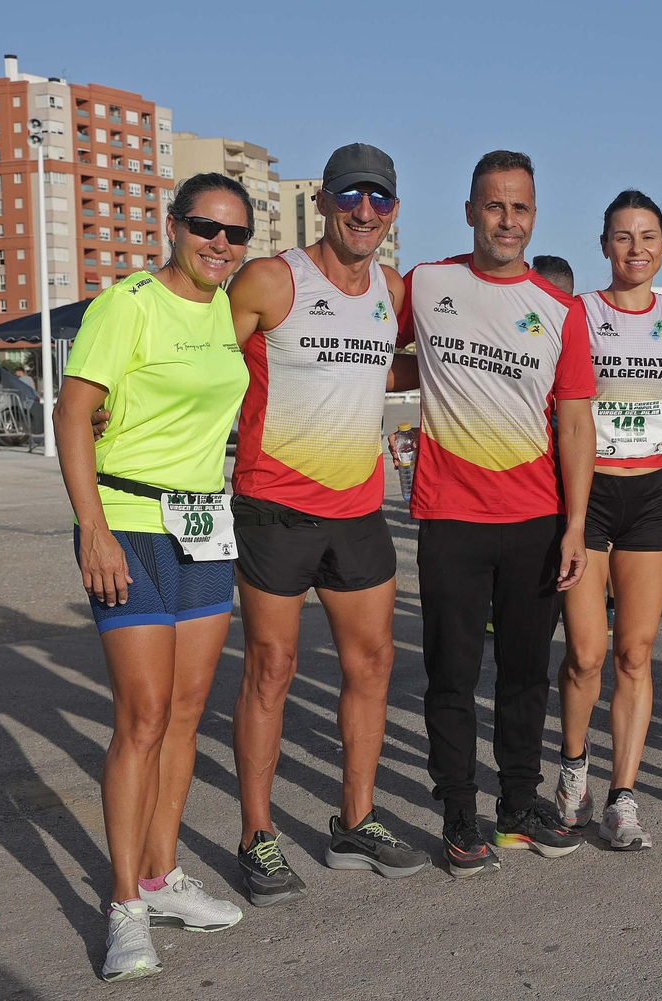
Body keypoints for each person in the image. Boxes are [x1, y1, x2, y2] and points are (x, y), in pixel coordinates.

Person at [54, 173, 254, 980]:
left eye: (235, 234)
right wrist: (92, 529)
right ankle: (124, 908)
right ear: (174, 225)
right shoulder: (127, 305)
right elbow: (73, 412)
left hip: (205, 524)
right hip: (128, 521)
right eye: (206, 227)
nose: (220, 244)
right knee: (140, 715)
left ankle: (161, 876)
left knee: (184, 712)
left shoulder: (229, 312)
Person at [221, 143, 422, 904]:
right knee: (272, 669)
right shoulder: (273, 278)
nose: (364, 211)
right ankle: (257, 834)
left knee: (373, 664)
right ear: (324, 202)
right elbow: (202, 361)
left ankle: (355, 821)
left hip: (358, 508)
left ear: (392, 211)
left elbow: (393, 366)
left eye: (378, 199)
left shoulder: (393, 291)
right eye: (350, 196)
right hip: (275, 506)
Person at [400, 150, 596, 876]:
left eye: (519, 208)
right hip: (451, 516)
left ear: (534, 216)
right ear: (470, 212)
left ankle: (517, 806)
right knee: (451, 675)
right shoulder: (426, 284)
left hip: (534, 520)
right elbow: (364, 350)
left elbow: (575, 424)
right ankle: (459, 813)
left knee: (525, 675)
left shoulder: (561, 310)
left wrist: (575, 525)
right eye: (494, 205)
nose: (507, 220)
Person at [555, 190, 662, 851]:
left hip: (651, 495)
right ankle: (573, 768)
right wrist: (572, 517)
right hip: (590, 495)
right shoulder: (579, 312)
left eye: (648, 236)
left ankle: (623, 796)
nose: (636, 248)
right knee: (586, 653)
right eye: (623, 236)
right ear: (604, 245)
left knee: (635, 653)